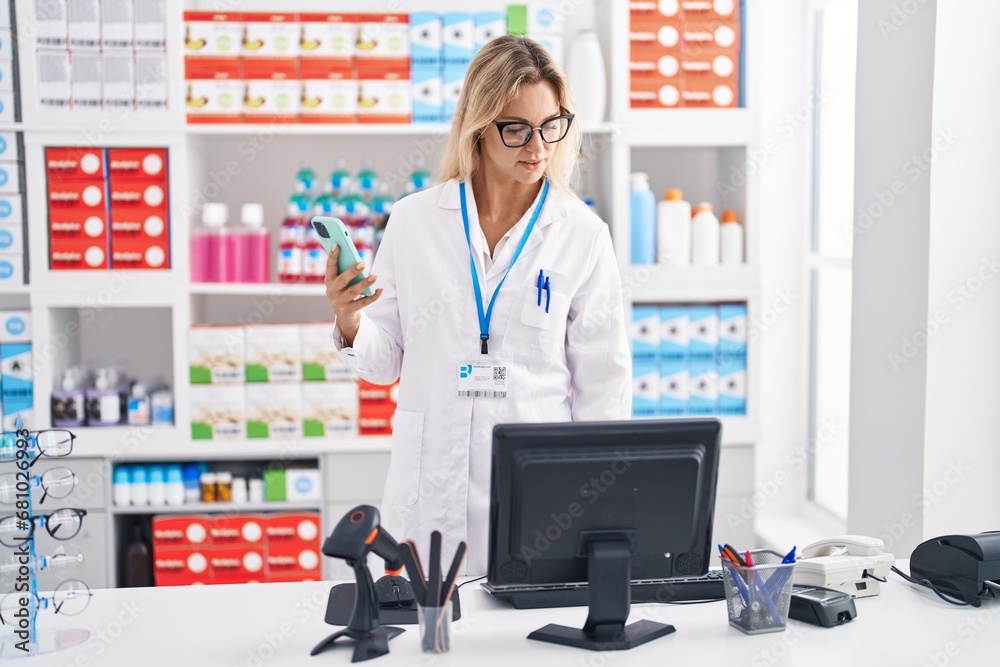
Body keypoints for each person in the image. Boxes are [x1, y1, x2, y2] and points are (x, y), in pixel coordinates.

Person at [325, 35, 630, 576]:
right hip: (428, 488)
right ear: (478, 127)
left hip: (538, 494)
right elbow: (385, 358)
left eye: (551, 126)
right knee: (425, 642)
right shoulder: (415, 221)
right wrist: (350, 317)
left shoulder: (582, 235)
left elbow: (604, 392)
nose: (537, 146)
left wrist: (598, 515)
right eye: (516, 129)